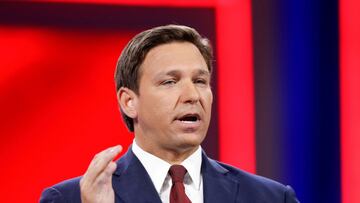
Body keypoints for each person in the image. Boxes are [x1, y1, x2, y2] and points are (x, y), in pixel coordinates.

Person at [40, 24, 299, 203]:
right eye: (169, 82)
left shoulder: (271, 198)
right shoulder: (71, 198)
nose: (192, 95)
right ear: (129, 101)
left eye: (200, 81)